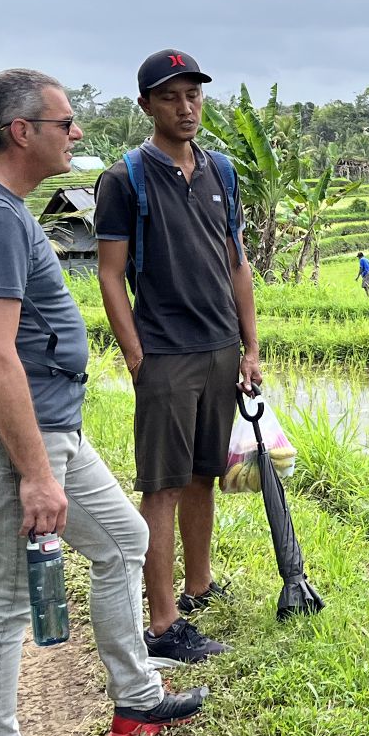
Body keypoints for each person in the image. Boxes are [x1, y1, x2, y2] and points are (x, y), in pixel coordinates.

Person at [0, 69, 205, 736]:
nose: (77, 133)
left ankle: (137, 698)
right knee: (4, 600)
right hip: (14, 443)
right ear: (22, 132)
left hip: (50, 432)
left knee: (123, 540)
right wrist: (35, 474)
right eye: (66, 123)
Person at [95, 50, 261, 665]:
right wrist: (137, 356)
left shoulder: (222, 171)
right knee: (162, 486)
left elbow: (237, 263)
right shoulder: (125, 180)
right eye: (170, 97)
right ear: (147, 106)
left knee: (202, 475)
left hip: (220, 348)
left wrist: (250, 347)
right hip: (165, 353)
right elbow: (110, 275)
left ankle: (199, 585)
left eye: (193, 94)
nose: (185, 107)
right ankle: (163, 623)